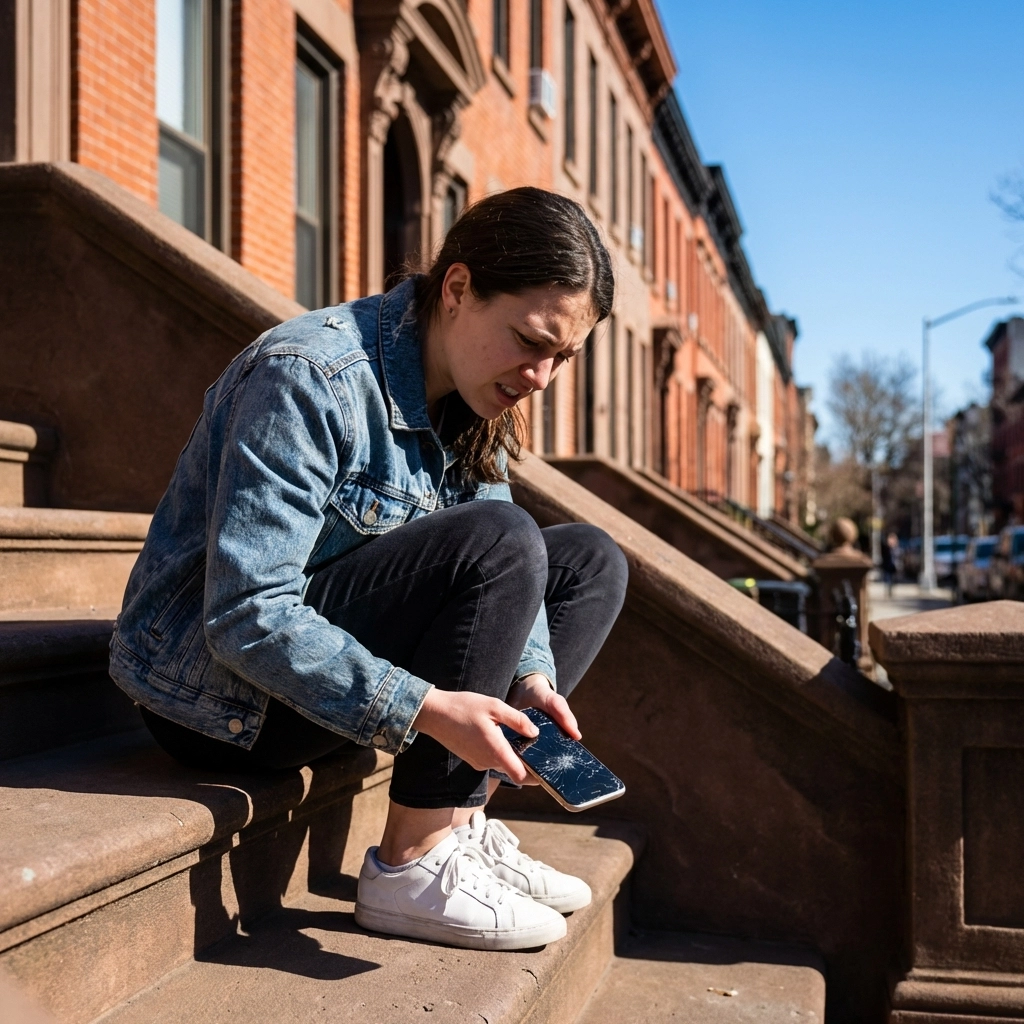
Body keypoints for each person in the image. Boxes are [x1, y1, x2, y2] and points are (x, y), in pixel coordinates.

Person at [109, 187, 627, 952]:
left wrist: (530, 678)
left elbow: (503, 580)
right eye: (530, 340)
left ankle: (458, 822)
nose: (541, 376)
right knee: (501, 537)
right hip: (218, 703)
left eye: (563, 356)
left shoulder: (472, 400)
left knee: (591, 559)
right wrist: (425, 707)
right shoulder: (308, 376)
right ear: (457, 289)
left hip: (323, 689)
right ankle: (411, 863)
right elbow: (247, 613)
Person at [881, 532, 899, 597]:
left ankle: (891, 591)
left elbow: (898, 555)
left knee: (893, 579)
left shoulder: (896, 548)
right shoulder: (886, 548)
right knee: (887, 579)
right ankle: (888, 591)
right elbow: (883, 556)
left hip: (893, 566)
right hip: (887, 565)